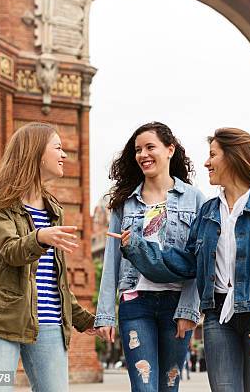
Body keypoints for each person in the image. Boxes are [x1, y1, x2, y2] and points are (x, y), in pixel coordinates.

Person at [111, 127, 250, 392]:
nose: (206, 162)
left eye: (213, 155)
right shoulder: (209, 211)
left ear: (234, 157)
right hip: (217, 316)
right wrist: (137, 247)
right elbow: (185, 262)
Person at [0, 122, 96, 392]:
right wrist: (40, 237)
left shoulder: (54, 209)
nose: (64, 156)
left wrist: (84, 319)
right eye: (58, 148)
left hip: (49, 323)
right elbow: (11, 251)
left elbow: (53, 278)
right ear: (36, 152)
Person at [95, 122, 204, 392]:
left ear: (170, 149)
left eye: (150, 147)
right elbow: (112, 260)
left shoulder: (195, 200)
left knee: (169, 386)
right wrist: (105, 314)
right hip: (136, 303)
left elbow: (200, 262)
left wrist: (189, 310)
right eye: (137, 149)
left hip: (176, 304)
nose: (142, 154)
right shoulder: (125, 203)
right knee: (144, 388)